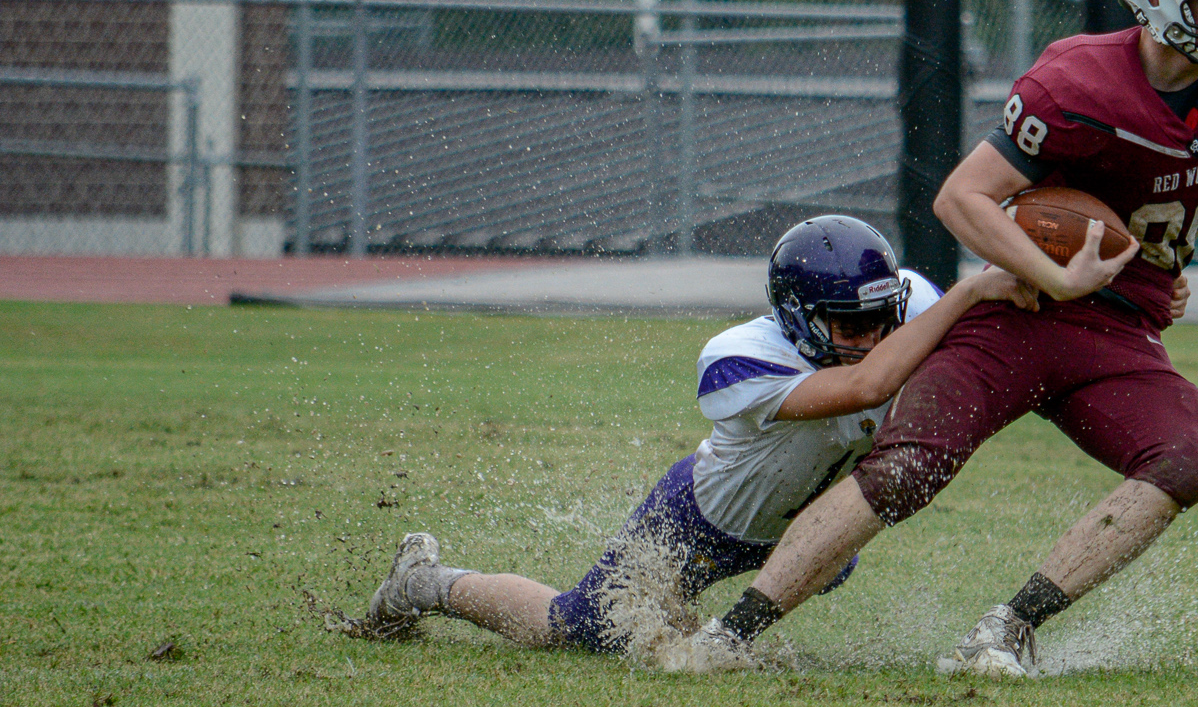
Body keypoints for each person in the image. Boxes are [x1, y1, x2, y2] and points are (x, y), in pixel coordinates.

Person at [666, 0, 1198, 678]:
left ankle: (1008, 626)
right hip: (1020, 311)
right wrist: (1054, 273)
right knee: (905, 469)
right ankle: (732, 633)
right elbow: (961, 196)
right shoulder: (1080, 83)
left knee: (1185, 459)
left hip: (1121, 327)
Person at [345, 215, 1038, 652]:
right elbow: (866, 387)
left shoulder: (903, 303)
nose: (876, 337)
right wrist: (969, 292)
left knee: (807, 571)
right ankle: (424, 583)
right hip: (700, 522)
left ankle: (712, 635)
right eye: (851, 325)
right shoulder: (738, 357)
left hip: (802, 527)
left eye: (885, 319)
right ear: (795, 318)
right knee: (574, 628)